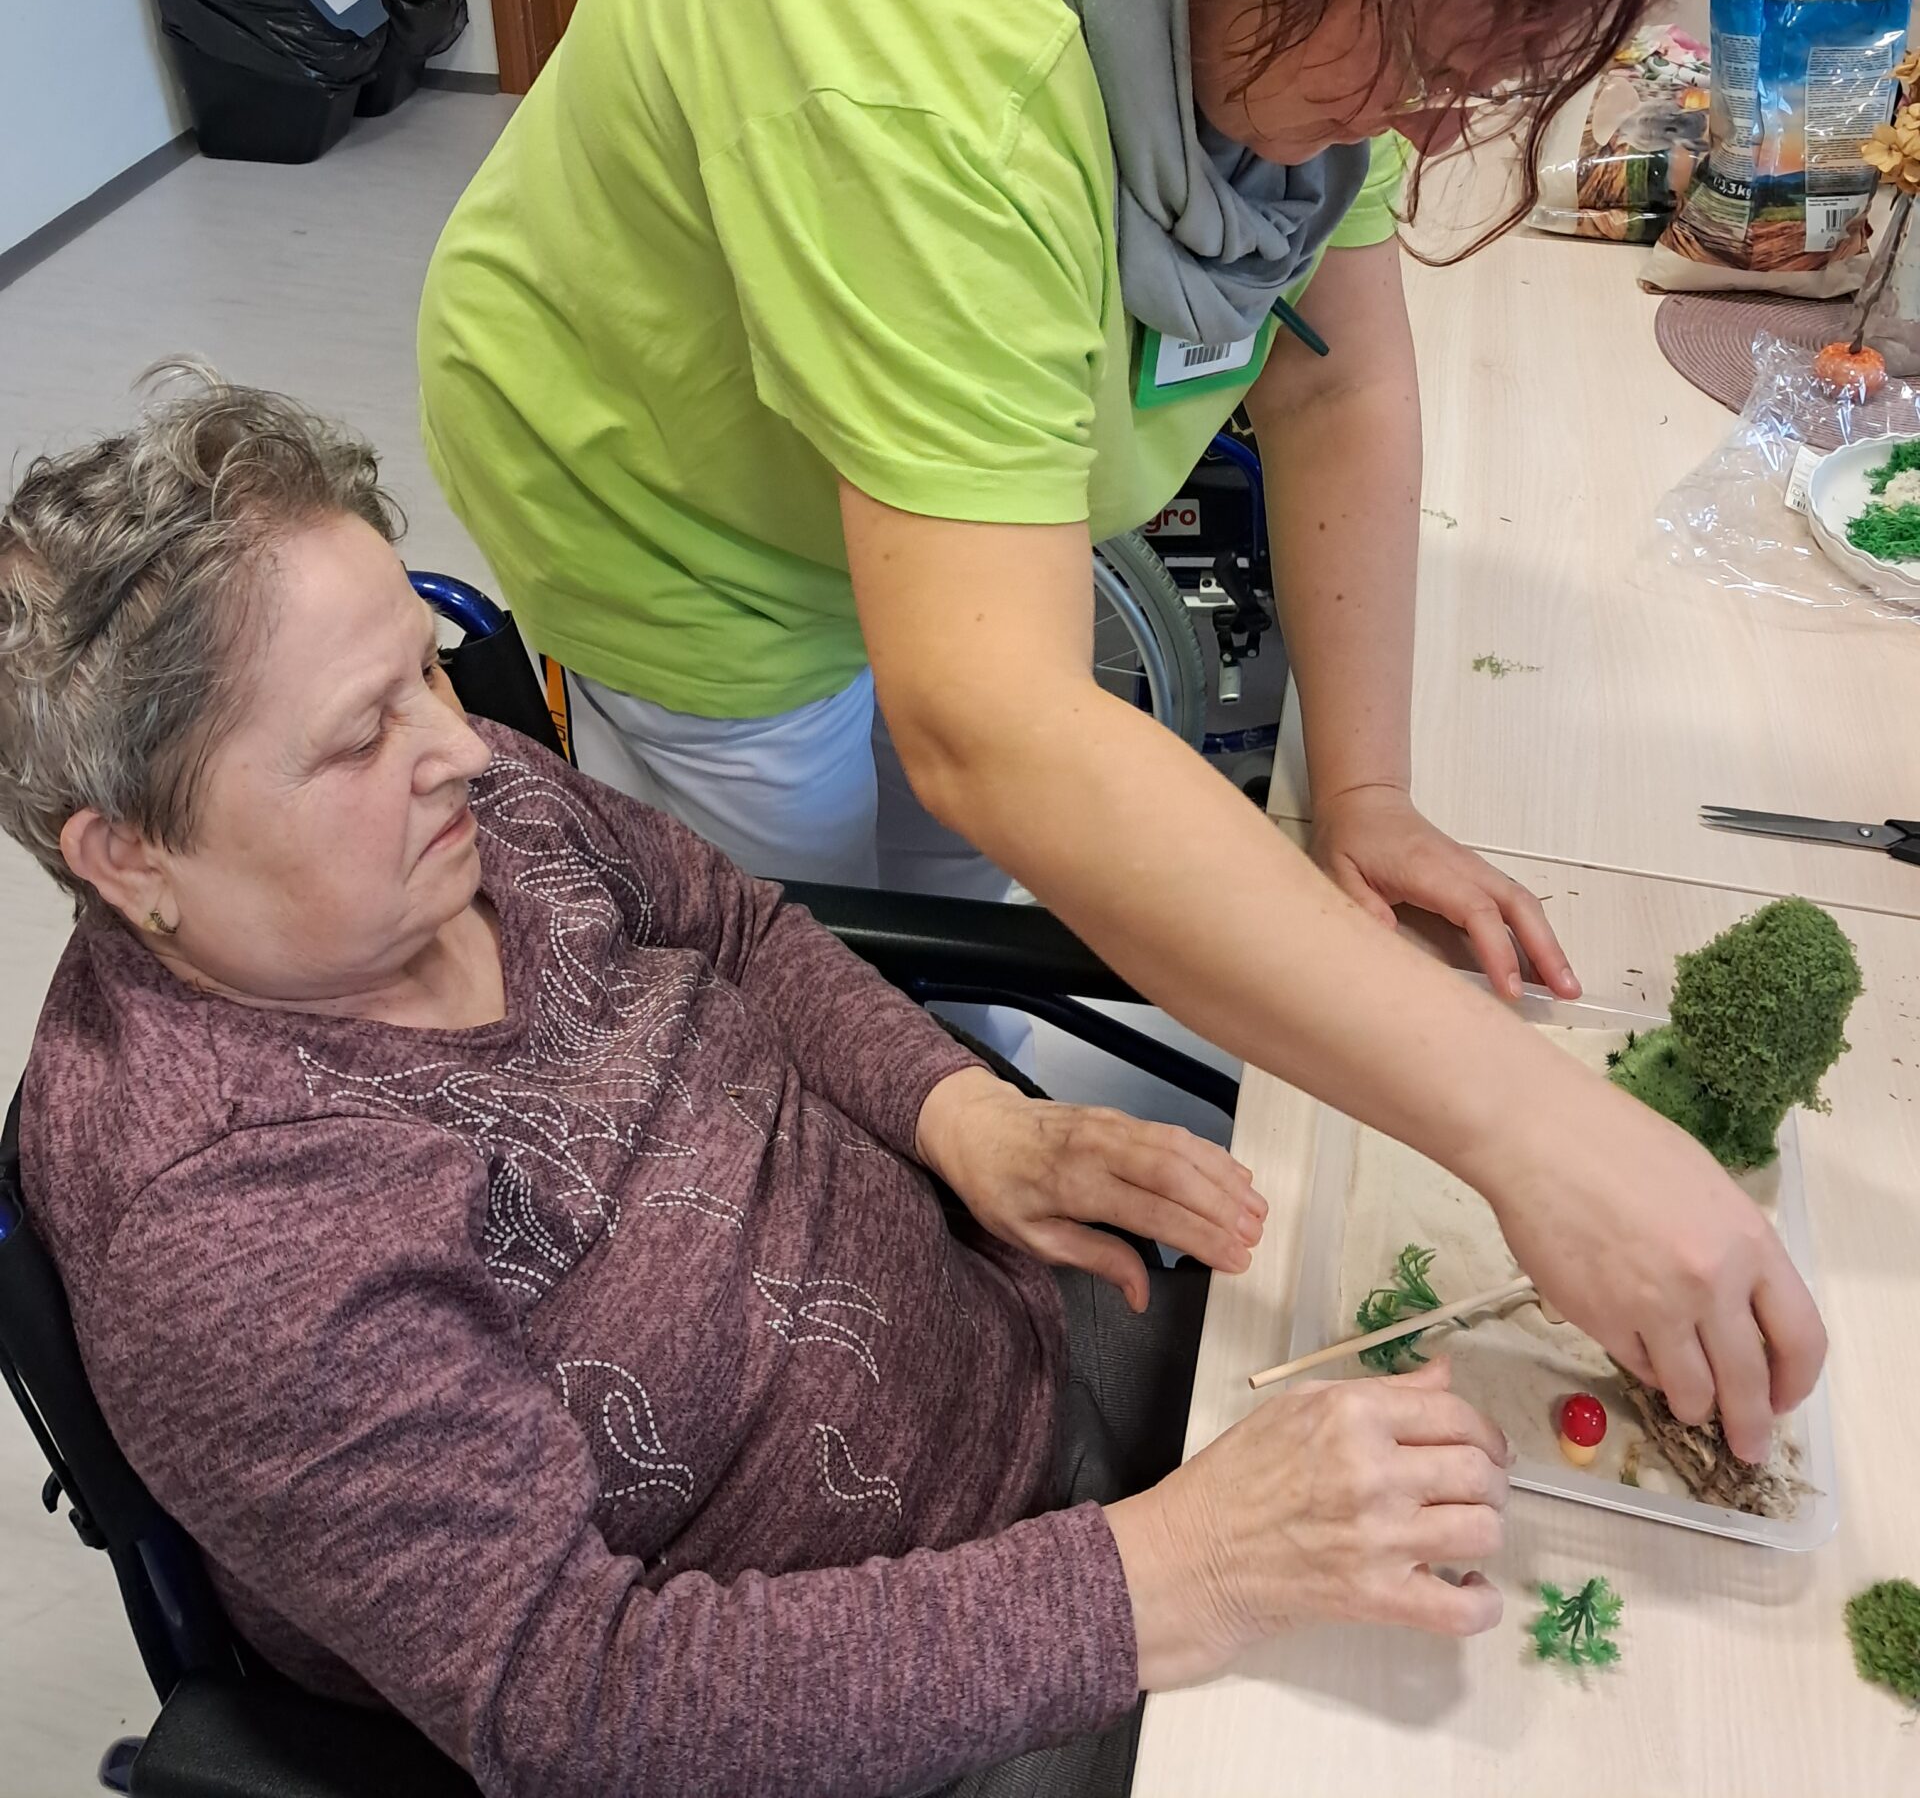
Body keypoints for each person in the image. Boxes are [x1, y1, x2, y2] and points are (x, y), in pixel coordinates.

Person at [419, 0, 1820, 1447]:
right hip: (677, 514)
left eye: (1469, 87)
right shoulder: (930, 52)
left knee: (971, 863)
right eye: (1415, 68)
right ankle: (907, 1306)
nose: (1416, 130)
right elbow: (987, 723)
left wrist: (1369, 793)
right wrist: (1534, 1132)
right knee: (837, 976)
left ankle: (987, 1120)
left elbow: (1333, 378)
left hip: (911, 477)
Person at [5, 375, 1522, 1798]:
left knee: (1510, 1456)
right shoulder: (228, 1234)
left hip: (1020, 1354)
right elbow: (578, 1699)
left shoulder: (454, 820)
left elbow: (728, 926)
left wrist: (964, 1119)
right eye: (361, 734)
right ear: (128, 857)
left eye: (427, 667)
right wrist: (1175, 1576)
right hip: (903, 1701)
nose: (463, 747)